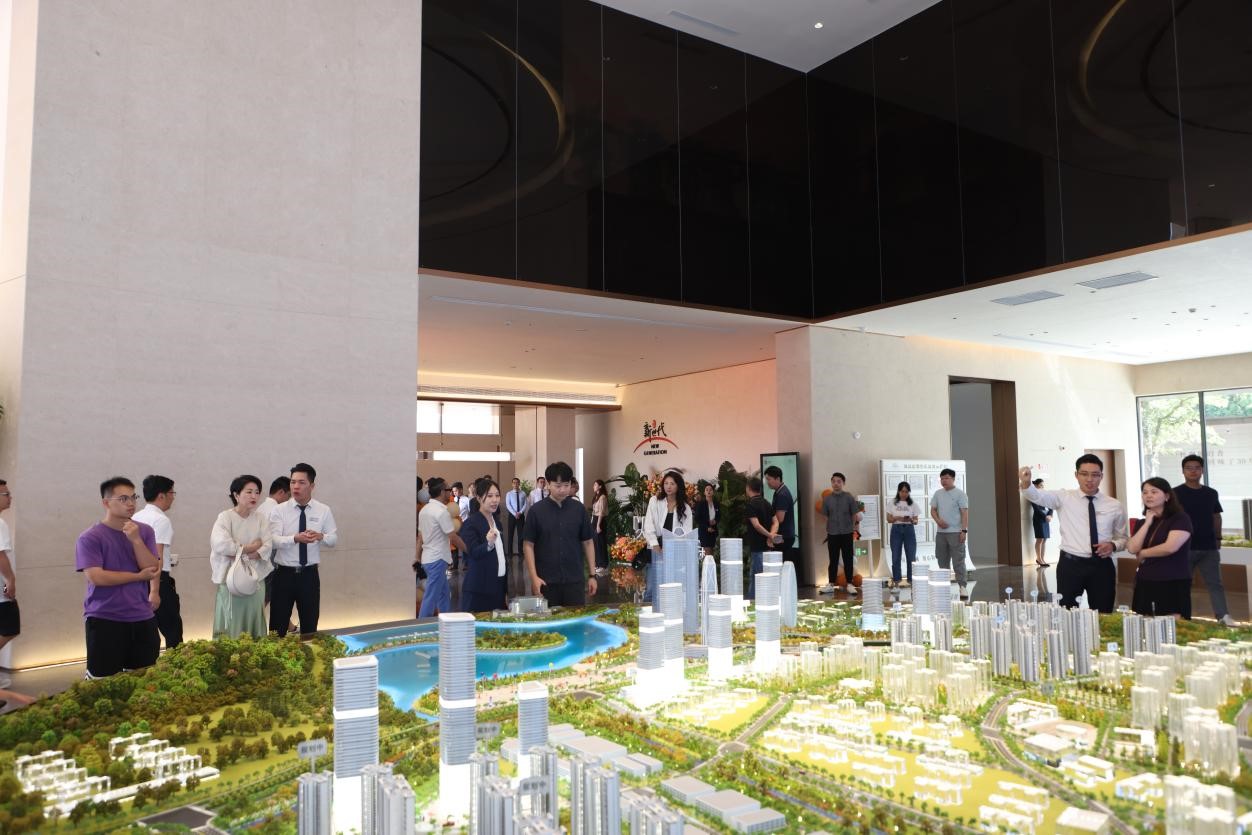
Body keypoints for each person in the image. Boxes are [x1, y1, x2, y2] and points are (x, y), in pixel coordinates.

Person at [76, 477, 162, 678]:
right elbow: (97, 577)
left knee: (144, 680)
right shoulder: (90, 537)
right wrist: (137, 577)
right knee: (103, 682)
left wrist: (136, 540)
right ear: (106, 503)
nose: (131, 503)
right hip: (105, 617)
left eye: (133, 497)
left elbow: (152, 568)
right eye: (123, 499)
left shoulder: (144, 531)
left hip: (142, 616)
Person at [1021, 457, 1127, 613]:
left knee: (1103, 613)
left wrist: (1113, 545)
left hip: (1102, 565)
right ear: (1076, 475)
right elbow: (1037, 496)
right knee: (1067, 613)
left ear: (1101, 476)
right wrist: (1026, 482)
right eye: (1084, 474)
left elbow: (1123, 538)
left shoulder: (1114, 505)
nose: (1089, 479)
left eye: (1095, 475)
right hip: (1070, 565)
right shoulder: (1064, 497)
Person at [268, 463, 338, 637]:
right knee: (277, 626)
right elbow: (272, 541)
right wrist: (294, 538)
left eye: (301, 482)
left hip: (309, 576)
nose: (295, 487)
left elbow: (333, 539)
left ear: (312, 486)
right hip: (283, 575)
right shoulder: (279, 510)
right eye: (292, 482)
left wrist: (320, 536)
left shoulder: (323, 510)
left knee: (310, 624)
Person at [523, 462, 597, 607]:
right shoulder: (536, 511)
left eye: (566, 485)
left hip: (574, 580)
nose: (562, 490)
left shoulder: (579, 509)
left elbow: (588, 542)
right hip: (546, 581)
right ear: (547, 484)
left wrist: (592, 575)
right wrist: (534, 577)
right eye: (557, 486)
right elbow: (528, 545)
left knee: (575, 618)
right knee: (548, 620)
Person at [210, 475, 274, 638]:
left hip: (256, 580)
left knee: (255, 618)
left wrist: (246, 553)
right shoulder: (225, 517)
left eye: (257, 492)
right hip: (230, 580)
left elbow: (267, 544)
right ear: (236, 495)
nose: (254, 496)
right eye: (249, 492)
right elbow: (221, 544)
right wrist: (251, 547)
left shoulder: (260, 518)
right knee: (231, 622)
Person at [1176, 455, 1234, 625]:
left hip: (1209, 547)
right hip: (1184, 547)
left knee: (1215, 583)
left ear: (1202, 471)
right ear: (1183, 471)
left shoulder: (1211, 493)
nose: (1193, 471)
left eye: (1197, 468)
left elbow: (1216, 516)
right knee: (1182, 584)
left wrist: (1218, 537)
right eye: (1189, 468)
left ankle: (1223, 616)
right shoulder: (1175, 493)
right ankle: (1182, 616)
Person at [1127, 477, 1194, 619]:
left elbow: (1170, 547)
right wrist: (1147, 523)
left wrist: (1144, 553)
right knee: (1146, 622)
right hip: (1146, 580)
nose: (1148, 495)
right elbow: (1132, 548)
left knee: (1172, 624)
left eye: (1154, 492)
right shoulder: (1141, 523)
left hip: (1172, 580)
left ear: (1167, 496)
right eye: (1145, 492)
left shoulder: (1180, 518)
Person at [132, 475, 183, 650]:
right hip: (158, 580)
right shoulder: (161, 520)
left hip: (137, 579)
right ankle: (175, 664)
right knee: (173, 631)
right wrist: (155, 591)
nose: (173, 497)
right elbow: (157, 556)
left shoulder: (136, 516)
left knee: (146, 631)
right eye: (172, 493)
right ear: (161, 495)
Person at [643, 470, 697, 604]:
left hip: (675, 552)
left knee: (672, 588)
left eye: (672, 484)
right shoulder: (655, 501)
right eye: (666, 483)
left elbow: (686, 533)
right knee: (651, 589)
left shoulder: (685, 508)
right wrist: (655, 545)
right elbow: (648, 525)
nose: (668, 486)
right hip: (655, 549)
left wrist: (673, 548)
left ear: (678, 486)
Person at [418, 478, 465, 617]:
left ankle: (445, 620)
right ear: (441, 492)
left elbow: (420, 537)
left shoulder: (425, 510)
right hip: (437, 559)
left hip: (429, 558)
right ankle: (422, 625)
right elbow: (453, 537)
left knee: (443, 593)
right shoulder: (441, 512)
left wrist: (416, 556)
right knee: (431, 597)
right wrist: (468, 550)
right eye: (448, 490)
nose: (450, 492)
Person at [460, 477, 507, 613]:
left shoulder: (497, 523)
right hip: (479, 589)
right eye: (490, 496)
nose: (495, 500)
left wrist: (505, 590)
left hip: (498, 587)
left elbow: (501, 556)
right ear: (479, 498)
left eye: (497, 495)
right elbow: (473, 552)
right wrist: (489, 543)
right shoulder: (470, 523)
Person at [820, 472, 861, 595]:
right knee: (833, 559)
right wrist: (830, 526)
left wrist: (852, 528)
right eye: (833, 481)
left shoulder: (849, 497)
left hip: (847, 533)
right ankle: (831, 584)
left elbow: (854, 515)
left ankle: (849, 583)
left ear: (843, 483)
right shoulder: (827, 499)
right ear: (831, 483)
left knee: (848, 558)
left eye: (839, 481)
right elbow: (825, 516)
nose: (836, 484)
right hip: (832, 533)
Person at [931, 468, 970, 596]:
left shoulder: (960, 494)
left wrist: (964, 530)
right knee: (942, 560)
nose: (944, 481)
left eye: (946, 478)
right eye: (942, 478)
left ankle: (962, 586)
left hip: (956, 532)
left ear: (953, 479)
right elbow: (933, 510)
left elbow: (964, 513)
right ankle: (944, 586)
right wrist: (938, 521)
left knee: (958, 561)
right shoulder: (938, 494)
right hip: (941, 533)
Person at [0, 479, 20, 690]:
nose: (10, 497)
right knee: (9, 629)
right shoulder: (0, 524)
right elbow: (0, 556)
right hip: (1, 591)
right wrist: (10, 581)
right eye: (6, 494)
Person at [744, 477, 777, 600]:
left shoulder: (751, 505)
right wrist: (771, 535)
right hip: (767, 547)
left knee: (756, 576)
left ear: (748, 488)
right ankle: (764, 600)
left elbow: (756, 525)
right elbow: (776, 522)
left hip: (757, 546)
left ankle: (754, 601)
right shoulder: (766, 503)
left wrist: (769, 535)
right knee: (765, 575)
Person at [886, 481, 919, 588]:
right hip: (896, 529)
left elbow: (916, 521)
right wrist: (897, 518)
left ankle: (911, 580)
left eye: (906, 491)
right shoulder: (892, 503)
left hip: (909, 529)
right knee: (896, 555)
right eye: (902, 491)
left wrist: (912, 520)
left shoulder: (912, 504)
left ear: (909, 492)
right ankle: (896, 581)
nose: (904, 494)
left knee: (911, 556)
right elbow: (888, 519)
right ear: (898, 491)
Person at [764, 466, 797, 570]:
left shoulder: (782, 494)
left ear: (777, 478)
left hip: (784, 536)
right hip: (783, 535)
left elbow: (780, 519)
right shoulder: (778, 492)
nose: (767, 482)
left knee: (780, 566)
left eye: (769, 479)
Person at [1030, 479, 1053, 567]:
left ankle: (1042, 559)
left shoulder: (1045, 496)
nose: (1042, 487)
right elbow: (1036, 509)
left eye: (1043, 486)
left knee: (1045, 539)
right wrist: (1045, 516)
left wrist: (1050, 515)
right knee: (1040, 539)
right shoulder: (1033, 496)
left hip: (1046, 519)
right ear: (1035, 486)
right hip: (1039, 519)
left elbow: (1050, 506)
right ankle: (1038, 559)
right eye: (1040, 485)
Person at [694, 481, 719, 556]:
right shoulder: (701, 504)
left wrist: (716, 521)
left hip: (713, 531)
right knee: (707, 554)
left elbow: (719, 515)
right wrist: (706, 527)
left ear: (713, 492)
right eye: (707, 490)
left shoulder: (716, 503)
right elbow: (697, 518)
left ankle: (709, 564)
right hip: (704, 531)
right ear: (704, 493)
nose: (709, 491)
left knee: (711, 553)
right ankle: (706, 564)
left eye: (710, 490)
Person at [505, 477, 529, 558]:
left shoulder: (523, 493)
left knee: (521, 535)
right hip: (512, 516)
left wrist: (520, 512)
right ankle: (510, 553)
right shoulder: (509, 494)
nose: (515, 484)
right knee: (510, 534)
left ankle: (520, 552)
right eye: (514, 483)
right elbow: (508, 505)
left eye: (517, 483)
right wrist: (514, 513)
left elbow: (525, 504)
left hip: (521, 516)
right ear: (512, 484)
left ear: (519, 484)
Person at [591, 479, 610, 576]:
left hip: (600, 521)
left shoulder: (603, 497)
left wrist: (598, 525)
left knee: (601, 543)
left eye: (595, 485)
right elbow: (594, 512)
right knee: (595, 543)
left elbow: (601, 512)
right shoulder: (596, 496)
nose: (593, 486)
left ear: (600, 486)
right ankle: (598, 564)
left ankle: (603, 565)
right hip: (594, 520)